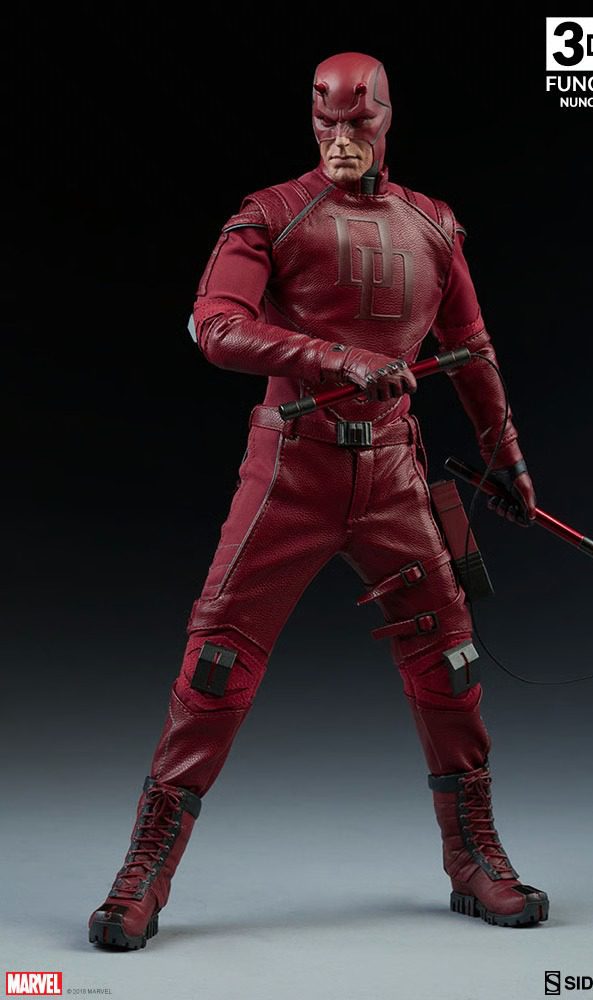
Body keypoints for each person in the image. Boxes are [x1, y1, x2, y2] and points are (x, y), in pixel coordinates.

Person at [88, 51, 548, 950]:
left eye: (358, 120)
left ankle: (472, 857)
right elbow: (216, 326)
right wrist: (333, 358)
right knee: (215, 665)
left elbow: (470, 346)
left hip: (395, 478)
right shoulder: (270, 213)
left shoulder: (433, 224)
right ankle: (145, 869)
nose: (340, 137)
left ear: (387, 116)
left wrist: (506, 458)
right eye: (325, 120)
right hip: (289, 476)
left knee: (450, 664)